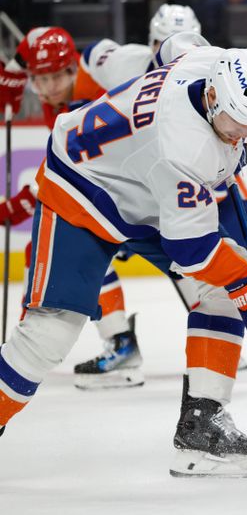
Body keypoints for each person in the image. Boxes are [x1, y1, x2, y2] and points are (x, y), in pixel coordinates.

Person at [0, 42, 247, 478]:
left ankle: (202, 429)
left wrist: (242, 283)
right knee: (49, 333)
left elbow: (171, 47)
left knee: (221, 291)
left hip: (140, 184)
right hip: (81, 186)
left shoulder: (208, 61)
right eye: (236, 123)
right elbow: (191, 250)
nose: (242, 135)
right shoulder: (183, 148)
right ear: (212, 97)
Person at [73, 4, 247, 388]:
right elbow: (86, 58)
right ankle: (121, 341)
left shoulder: (208, 68)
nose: (163, 49)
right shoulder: (127, 64)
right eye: (156, 42)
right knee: (109, 252)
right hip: (149, 200)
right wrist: (79, 106)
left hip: (217, 193)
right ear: (149, 42)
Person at [0, 27, 147, 389]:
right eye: (40, 79)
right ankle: (120, 343)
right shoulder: (62, 97)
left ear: (72, 72)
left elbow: (71, 174)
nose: (48, 87)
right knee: (51, 251)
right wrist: (14, 74)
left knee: (72, 254)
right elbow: (33, 39)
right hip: (110, 195)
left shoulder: (87, 104)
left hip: (130, 197)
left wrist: (21, 202)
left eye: (55, 77)